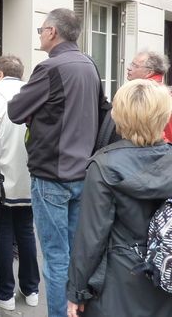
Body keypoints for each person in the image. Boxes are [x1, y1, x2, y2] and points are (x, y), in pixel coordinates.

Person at [8, 8, 100, 317]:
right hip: (83, 173)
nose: (39, 35)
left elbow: (15, 110)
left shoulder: (50, 67)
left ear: (52, 32)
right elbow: (100, 112)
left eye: (40, 30)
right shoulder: (89, 64)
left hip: (52, 177)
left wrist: (38, 114)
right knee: (75, 255)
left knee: (57, 257)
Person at [66, 79, 172, 317]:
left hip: (119, 280)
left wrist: (76, 291)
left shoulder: (103, 164)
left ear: (119, 115)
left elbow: (90, 237)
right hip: (165, 274)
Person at [0, 55, 40, 311]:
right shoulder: (33, 93)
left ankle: (4, 293)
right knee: (26, 230)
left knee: (2, 231)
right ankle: (32, 288)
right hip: (30, 174)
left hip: (0, 176)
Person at [126, 50, 172, 142]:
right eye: (131, 64)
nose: (129, 68)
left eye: (135, 66)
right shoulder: (160, 90)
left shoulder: (147, 93)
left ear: (149, 72)